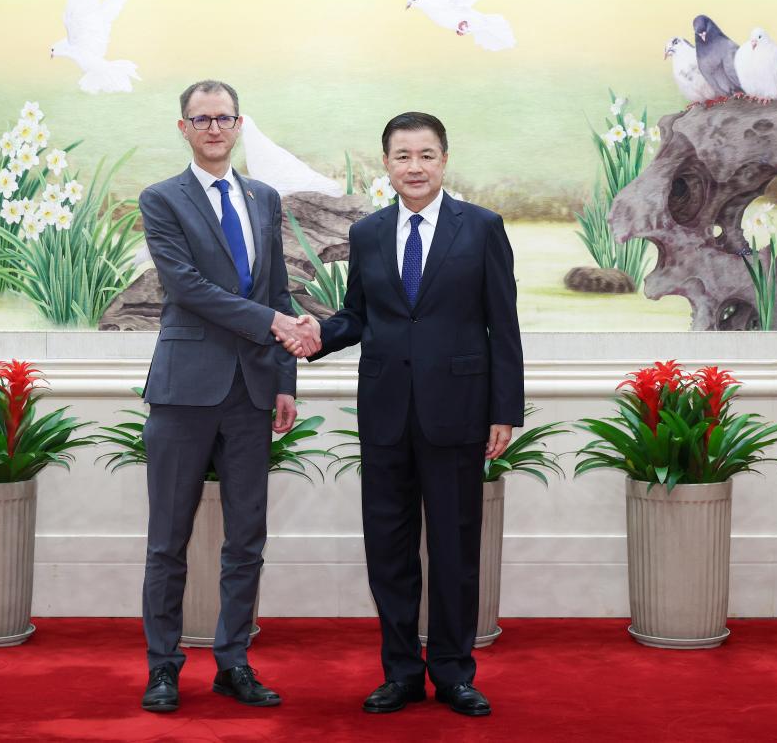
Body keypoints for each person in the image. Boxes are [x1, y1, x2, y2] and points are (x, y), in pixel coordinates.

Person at [283, 112, 524, 717]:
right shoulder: (367, 233)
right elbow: (358, 315)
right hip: (386, 413)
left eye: (426, 155)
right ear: (386, 164)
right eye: (402, 156)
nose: (414, 167)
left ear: (444, 160)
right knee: (388, 550)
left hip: (458, 412)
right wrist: (319, 334)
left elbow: (503, 324)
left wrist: (504, 410)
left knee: (454, 549)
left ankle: (454, 673)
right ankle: (400, 674)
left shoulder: (482, 227)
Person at [137, 80, 319, 713]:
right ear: (183, 127)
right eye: (201, 119)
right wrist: (273, 324)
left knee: (247, 539)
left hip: (251, 393)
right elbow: (186, 287)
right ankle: (163, 669)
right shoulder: (162, 198)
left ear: (239, 125)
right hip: (184, 392)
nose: (214, 128)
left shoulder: (263, 198)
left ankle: (234, 663)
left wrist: (285, 380)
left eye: (224, 117)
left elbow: (277, 289)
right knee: (168, 540)